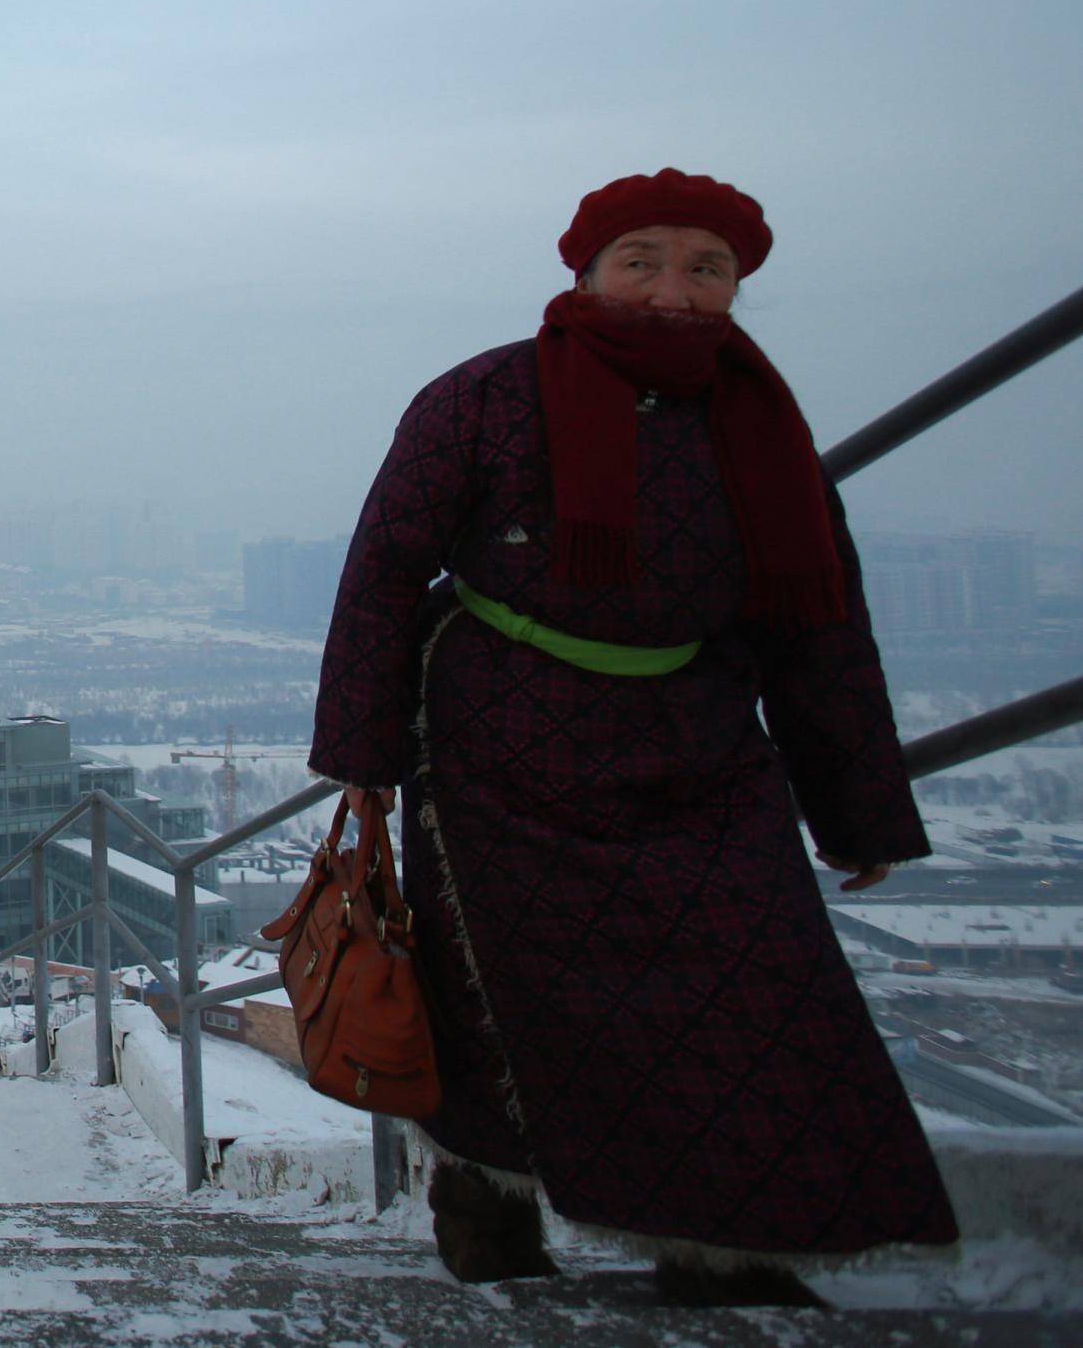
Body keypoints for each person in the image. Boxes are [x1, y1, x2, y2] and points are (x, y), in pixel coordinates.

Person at [308, 169, 955, 1307]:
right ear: (585, 272)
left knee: (753, 995)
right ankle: (489, 1225)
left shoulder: (760, 429)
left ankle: (730, 1258)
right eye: (640, 260)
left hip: (698, 749)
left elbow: (818, 628)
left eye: (705, 268)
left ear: (736, 289)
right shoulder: (482, 398)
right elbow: (380, 573)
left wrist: (857, 811)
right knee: (494, 991)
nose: (671, 289)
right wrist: (361, 763)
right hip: (499, 747)